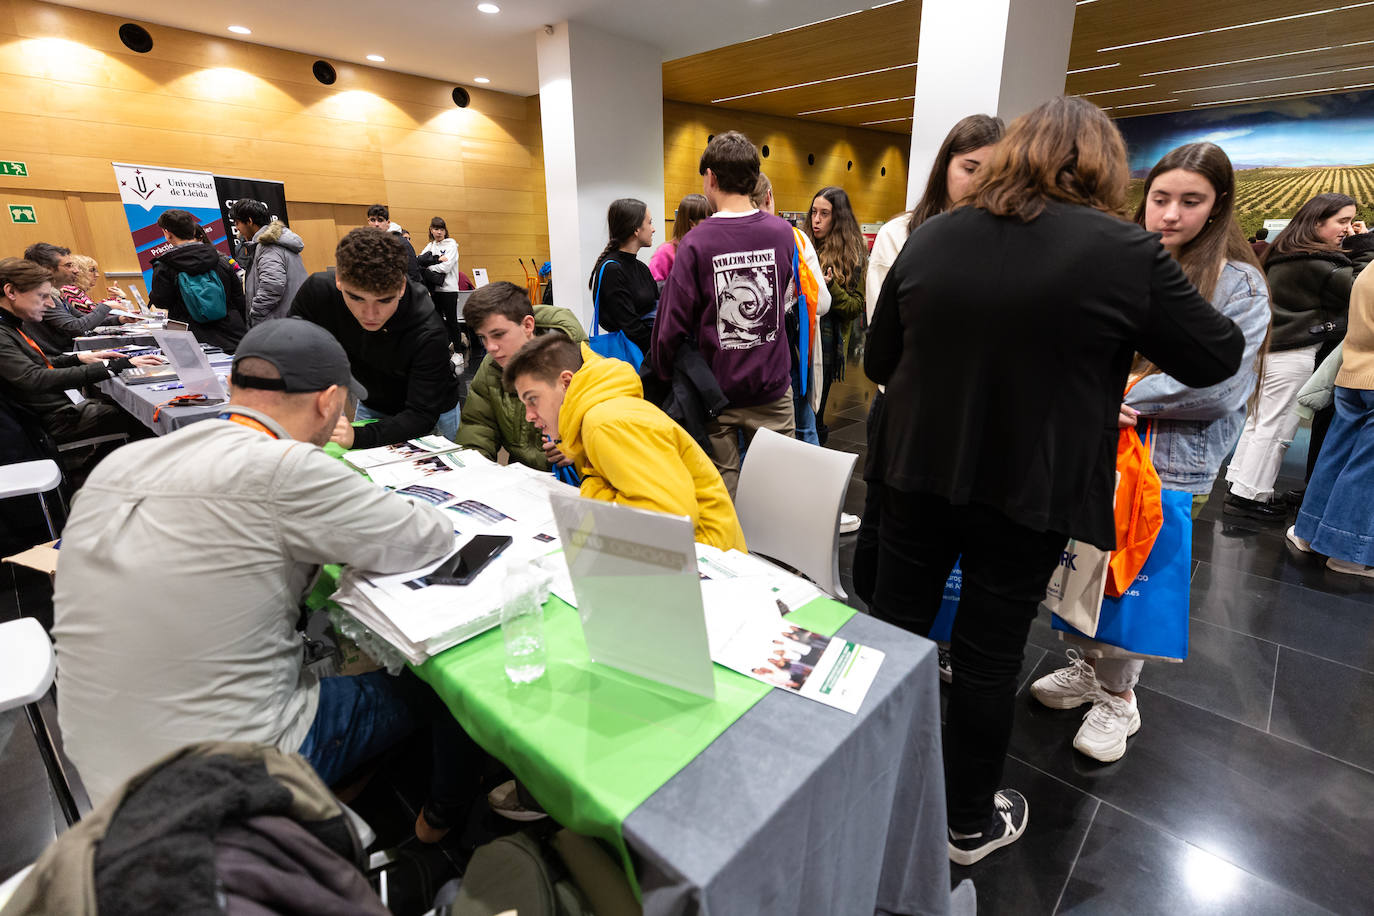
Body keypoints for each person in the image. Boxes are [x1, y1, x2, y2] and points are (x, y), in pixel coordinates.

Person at [864, 97, 1245, 866]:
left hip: (913, 471)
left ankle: (868, 789)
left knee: (893, 632)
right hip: (1027, 490)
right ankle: (966, 824)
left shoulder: (934, 236)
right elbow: (1217, 354)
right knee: (988, 652)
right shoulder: (1124, 253)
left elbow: (879, 361)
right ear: (1107, 168)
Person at [52, 318, 479, 841]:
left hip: (100, 766)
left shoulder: (122, 464)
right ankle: (440, 821)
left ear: (234, 389)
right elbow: (426, 537)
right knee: (443, 687)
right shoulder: (287, 468)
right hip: (232, 771)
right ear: (328, 402)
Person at [1029, 141, 1272, 762]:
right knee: (1081, 568)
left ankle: (1121, 698)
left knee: (1132, 580)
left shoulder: (1238, 283)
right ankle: (1089, 669)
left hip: (1167, 456)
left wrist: (1120, 391)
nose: (1170, 215)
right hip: (1094, 446)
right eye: (1160, 198)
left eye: (1191, 201)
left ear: (1218, 208)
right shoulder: (1121, 263)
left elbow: (1219, 383)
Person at [856, 114, 1004, 613]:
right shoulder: (903, 234)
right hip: (906, 413)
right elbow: (885, 342)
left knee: (964, 552)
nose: (979, 182)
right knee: (887, 551)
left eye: (994, 170)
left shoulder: (1010, 242)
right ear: (945, 166)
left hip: (979, 421)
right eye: (969, 167)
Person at [651, 131, 797, 496]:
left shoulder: (696, 243)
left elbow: (671, 325)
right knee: (778, 492)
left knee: (720, 495)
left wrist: (667, 372)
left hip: (716, 393)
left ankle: (729, 555)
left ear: (711, 178)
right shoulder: (782, 233)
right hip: (772, 388)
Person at [504, 333, 746, 551]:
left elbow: (668, 524)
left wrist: (592, 486)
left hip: (708, 558)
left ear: (566, 382)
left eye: (532, 399)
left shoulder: (604, 423)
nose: (528, 415)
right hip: (697, 548)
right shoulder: (600, 411)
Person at [1224, 193, 1365, 521]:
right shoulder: (1319, 262)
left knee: (1260, 422)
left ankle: (1241, 484)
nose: (1347, 228)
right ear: (1317, 222)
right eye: (1341, 221)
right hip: (1294, 353)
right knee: (1278, 429)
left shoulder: (1284, 252)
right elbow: (1362, 290)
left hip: (1271, 349)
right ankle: (1250, 495)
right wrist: (1365, 245)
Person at [289, 227, 462, 448]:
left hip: (433, 409)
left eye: (384, 300)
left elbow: (420, 415)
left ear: (400, 287)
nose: (370, 315)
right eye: (357, 298)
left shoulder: (426, 327)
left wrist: (358, 437)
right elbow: (290, 350)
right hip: (373, 400)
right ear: (339, 280)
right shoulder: (318, 292)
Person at [0, 258, 158, 447]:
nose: (50, 304)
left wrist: (79, 358)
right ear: (10, 292)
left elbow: (36, 364)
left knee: (126, 405)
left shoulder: (11, 325)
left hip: (53, 409)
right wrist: (111, 366)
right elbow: (34, 378)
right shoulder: (3, 332)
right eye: (42, 296)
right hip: (52, 419)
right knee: (144, 414)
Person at [1290, 259, 1374, 576]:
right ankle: (1348, 553)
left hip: (1352, 371)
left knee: (1336, 456)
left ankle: (1308, 533)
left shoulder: (1369, 269)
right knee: (1366, 471)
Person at [456, 280, 586, 470]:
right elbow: (478, 430)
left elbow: (612, 440)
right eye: (483, 337)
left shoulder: (579, 361)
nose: (490, 347)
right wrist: (474, 474)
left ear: (527, 325)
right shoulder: (491, 367)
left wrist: (580, 449)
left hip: (579, 485)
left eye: (498, 334)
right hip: (523, 482)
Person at [750, 172, 830, 448]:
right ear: (769, 196)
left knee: (747, 441)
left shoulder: (725, 239)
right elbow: (823, 302)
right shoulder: (795, 239)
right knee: (802, 428)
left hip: (738, 361)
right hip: (785, 352)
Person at [806, 186, 867, 446]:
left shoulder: (852, 255)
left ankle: (815, 458)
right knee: (798, 409)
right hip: (799, 339)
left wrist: (831, 287)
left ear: (838, 218)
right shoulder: (802, 245)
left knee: (816, 410)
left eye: (824, 214)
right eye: (813, 212)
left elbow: (855, 307)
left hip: (828, 346)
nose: (816, 220)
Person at [149, 209, 248, 352]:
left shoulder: (164, 266)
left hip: (191, 341)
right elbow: (239, 299)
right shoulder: (221, 260)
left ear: (167, 233)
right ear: (192, 230)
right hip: (232, 336)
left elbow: (161, 301)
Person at [20, 243, 128, 355]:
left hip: (69, 353)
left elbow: (83, 318)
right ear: (47, 269)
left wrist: (119, 319)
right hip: (58, 359)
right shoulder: (40, 297)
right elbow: (76, 327)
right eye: (69, 265)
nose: (76, 270)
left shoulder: (56, 294)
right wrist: (106, 306)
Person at [589, 198, 658, 355]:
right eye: (649, 223)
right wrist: (659, 350)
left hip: (645, 353)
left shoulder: (641, 268)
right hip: (630, 357)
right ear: (636, 229)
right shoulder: (611, 270)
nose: (653, 229)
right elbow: (630, 326)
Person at [229, 198, 307, 326]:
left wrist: (255, 314)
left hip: (278, 324)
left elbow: (272, 286)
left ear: (249, 221)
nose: (237, 228)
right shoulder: (278, 241)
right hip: (290, 319)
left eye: (237, 223)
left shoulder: (268, 246)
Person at [420, 216, 463, 350]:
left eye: (442, 229)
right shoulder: (430, 245)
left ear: (445, 231)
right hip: (434, 290)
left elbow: (446, 267)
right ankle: (445, 347)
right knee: (437, 322)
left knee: (452, 322)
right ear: (431, 230)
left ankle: (458, 352)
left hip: (449, 290)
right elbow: (419, 261)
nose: (439, 232)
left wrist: (429, 266)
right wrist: (438, 260)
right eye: (436, 229)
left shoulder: (451, 245)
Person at [650, 193, 712, 284]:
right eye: (707, 220)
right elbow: (653, 288)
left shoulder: (709, 248)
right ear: (692, 224)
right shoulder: (665, 251)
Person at [366, 203, 425, 285]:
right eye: (373, 220)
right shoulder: (367, 243)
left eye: (380, 220)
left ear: (388, 222)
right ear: (368, 221)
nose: (376, 224)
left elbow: (413, 274)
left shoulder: (402, 243)